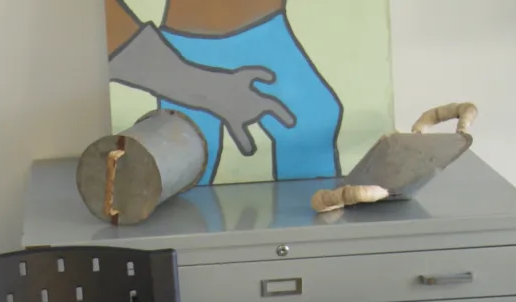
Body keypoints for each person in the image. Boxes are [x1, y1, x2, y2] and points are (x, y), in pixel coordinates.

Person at [106, 0, 344, 183]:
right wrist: (195, 84)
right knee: (185, 155)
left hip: (267, 32)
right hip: (195, 43)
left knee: (314, 121)